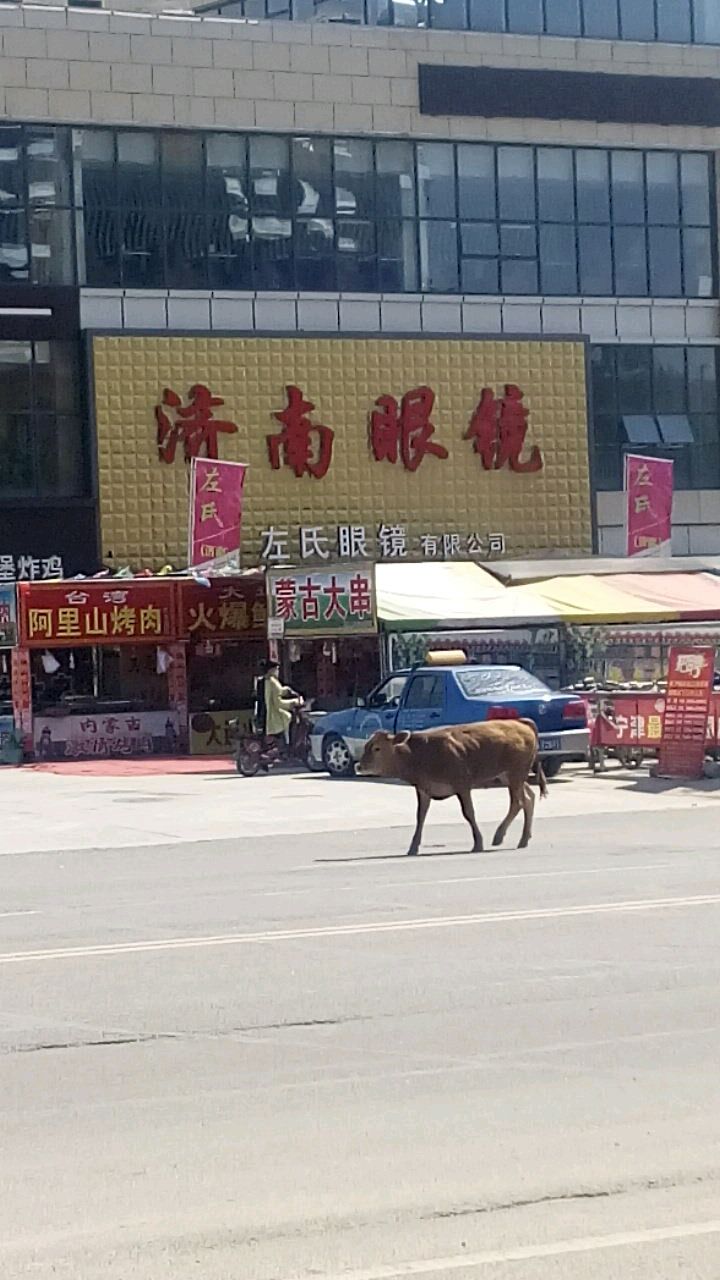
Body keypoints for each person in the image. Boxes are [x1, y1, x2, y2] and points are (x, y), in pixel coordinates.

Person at [258, 658, 302, 745]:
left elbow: (278, 692)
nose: (278, 671)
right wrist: (294, 702)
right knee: (289, 717)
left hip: (267, 712)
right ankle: (289, 744)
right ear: (271, 670)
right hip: (273, 713)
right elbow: (278, 703)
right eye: (277, 669)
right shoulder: (273, 682)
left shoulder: (267, 681)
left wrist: (287, 690)